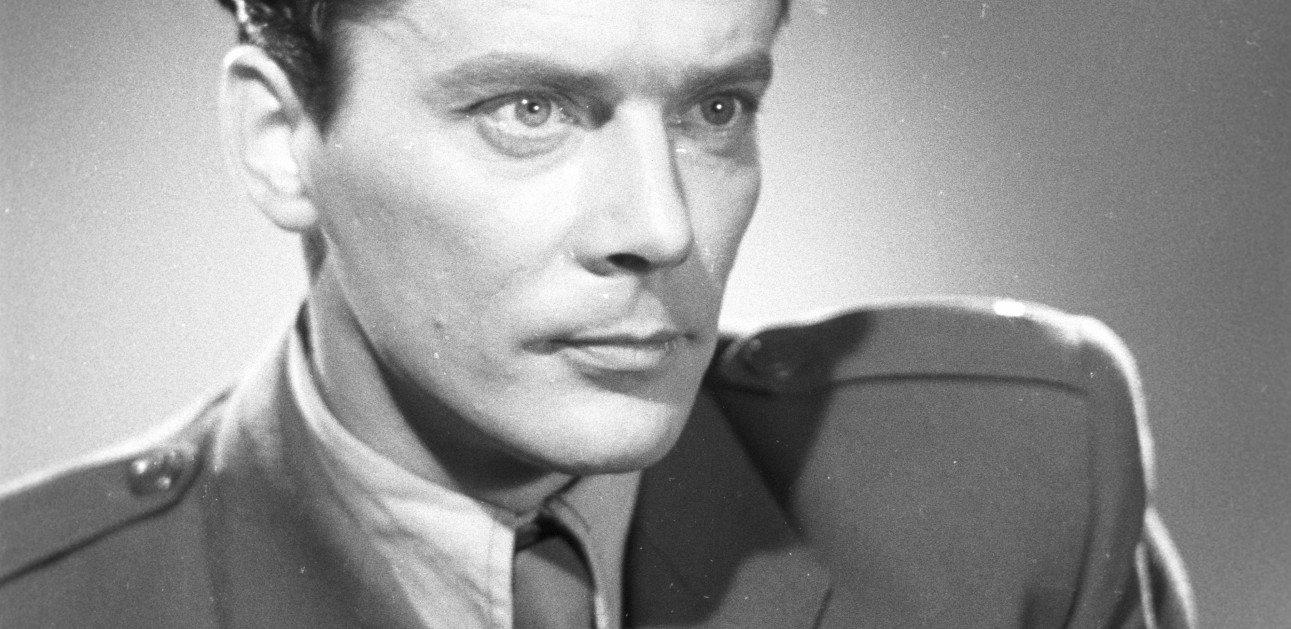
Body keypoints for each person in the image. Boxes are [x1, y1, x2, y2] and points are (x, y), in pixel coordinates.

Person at [0, 0, 1195, 627]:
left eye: (715, 110)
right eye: (528, 110)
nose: (659, 226)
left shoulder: (1007, 496)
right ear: (280, 142)